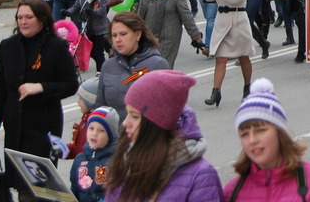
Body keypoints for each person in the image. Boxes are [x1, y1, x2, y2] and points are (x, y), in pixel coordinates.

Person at [0, 0, 80, 198]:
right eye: (20, 17)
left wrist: (41, 87)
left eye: (29, 17)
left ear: (42, 19)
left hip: (43, 128)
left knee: (40, 188)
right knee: (20, 184)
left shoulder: (56, 47)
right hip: (15, 127)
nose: (23, 22)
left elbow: (71, 85)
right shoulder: (7, 46)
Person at [104, 70, 223, 201]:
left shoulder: (201, 176)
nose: (125, 123)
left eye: (135, 116)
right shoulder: (125, 159)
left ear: (157, 123)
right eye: (127, 113)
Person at [224, 78, 310, 201]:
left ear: (280, 133)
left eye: (260, 130)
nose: (252, 140)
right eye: (244, 134)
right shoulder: (232, 192)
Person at [203, 0, 255, 107]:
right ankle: (215, 91)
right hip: (222, 21)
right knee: (221, 58)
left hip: (238, 20)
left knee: (243, 56)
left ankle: (247, 87)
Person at [96, 12, 170, 116]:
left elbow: (167, 110)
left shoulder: (158, 65)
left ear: (138, 34)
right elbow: (100, 108)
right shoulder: (108, 66)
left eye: (123, 34)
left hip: (146, 131)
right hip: (116, 132)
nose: (117, 40)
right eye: (114, 35)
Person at [138, 0, 207, 69]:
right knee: (149, 68)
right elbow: (140, 14)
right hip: (149, 36)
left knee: (164, 67)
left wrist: (196, 36)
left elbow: (186, 16)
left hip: (168, 37)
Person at [70, 106, 119, 202]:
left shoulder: (115, 161)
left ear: (110, 135)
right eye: (91, 128)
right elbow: (74, 190)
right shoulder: (80, 160)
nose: (94, 133)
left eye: (101, 130)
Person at [66, 0, 111, 73]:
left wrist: (92, 12)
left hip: (101, 29)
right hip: (88, 29)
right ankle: (107, 62)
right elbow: (76, 7)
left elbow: (102, 11)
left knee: (98, 52)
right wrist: (67, 12)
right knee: (90, 51)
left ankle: (100, 71)